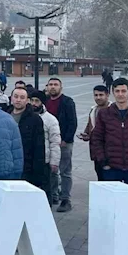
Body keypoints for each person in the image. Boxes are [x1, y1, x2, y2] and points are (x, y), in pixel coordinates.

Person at [90, 78, 128, 189]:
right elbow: (97, 139)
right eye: (117, 91)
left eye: (123, 91)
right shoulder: (104, 114)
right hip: (111, 167)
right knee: (111, 198)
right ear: (113, 93)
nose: (120, 94)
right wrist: (103, 161)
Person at [45, 77, 78, 212]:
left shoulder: (67, 102)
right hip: (49, 142)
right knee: (51, 170)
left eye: (55, 85)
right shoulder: (45, 101)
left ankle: (65, 199)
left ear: (61, 87)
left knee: (65, 171)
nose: (53, 87)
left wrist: (66, 140)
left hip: (64, 142)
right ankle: (54, 195)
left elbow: (72, 122)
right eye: (50, 84)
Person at [7, 88, 47, 191]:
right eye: (16, 97)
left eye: (22, 97)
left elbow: (39, 147)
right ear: (11, 98)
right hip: (6, 165)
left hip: (25, 166)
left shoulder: (35, 119)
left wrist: (38, 174)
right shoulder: (5, 115)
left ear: (27, 100)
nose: (18, 100)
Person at [30, 90, 62, 202]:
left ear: (42, 103)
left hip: (45, 160)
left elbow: (55, 142)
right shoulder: (27, 116)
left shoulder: (50, 119)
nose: (34, 103)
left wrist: (54, 162)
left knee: (45, 189)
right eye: (32, 100)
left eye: (37, 101)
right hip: (29, 159)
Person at [79, 85, 110, 181]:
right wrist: (86, 134)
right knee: (100, 176)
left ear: (107, 95)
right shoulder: (93, 110)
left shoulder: (113, 110)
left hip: (109, 152)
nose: (98, 98)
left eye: (101, 95)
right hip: (96, 151)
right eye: (96, 95)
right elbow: (90, 125)